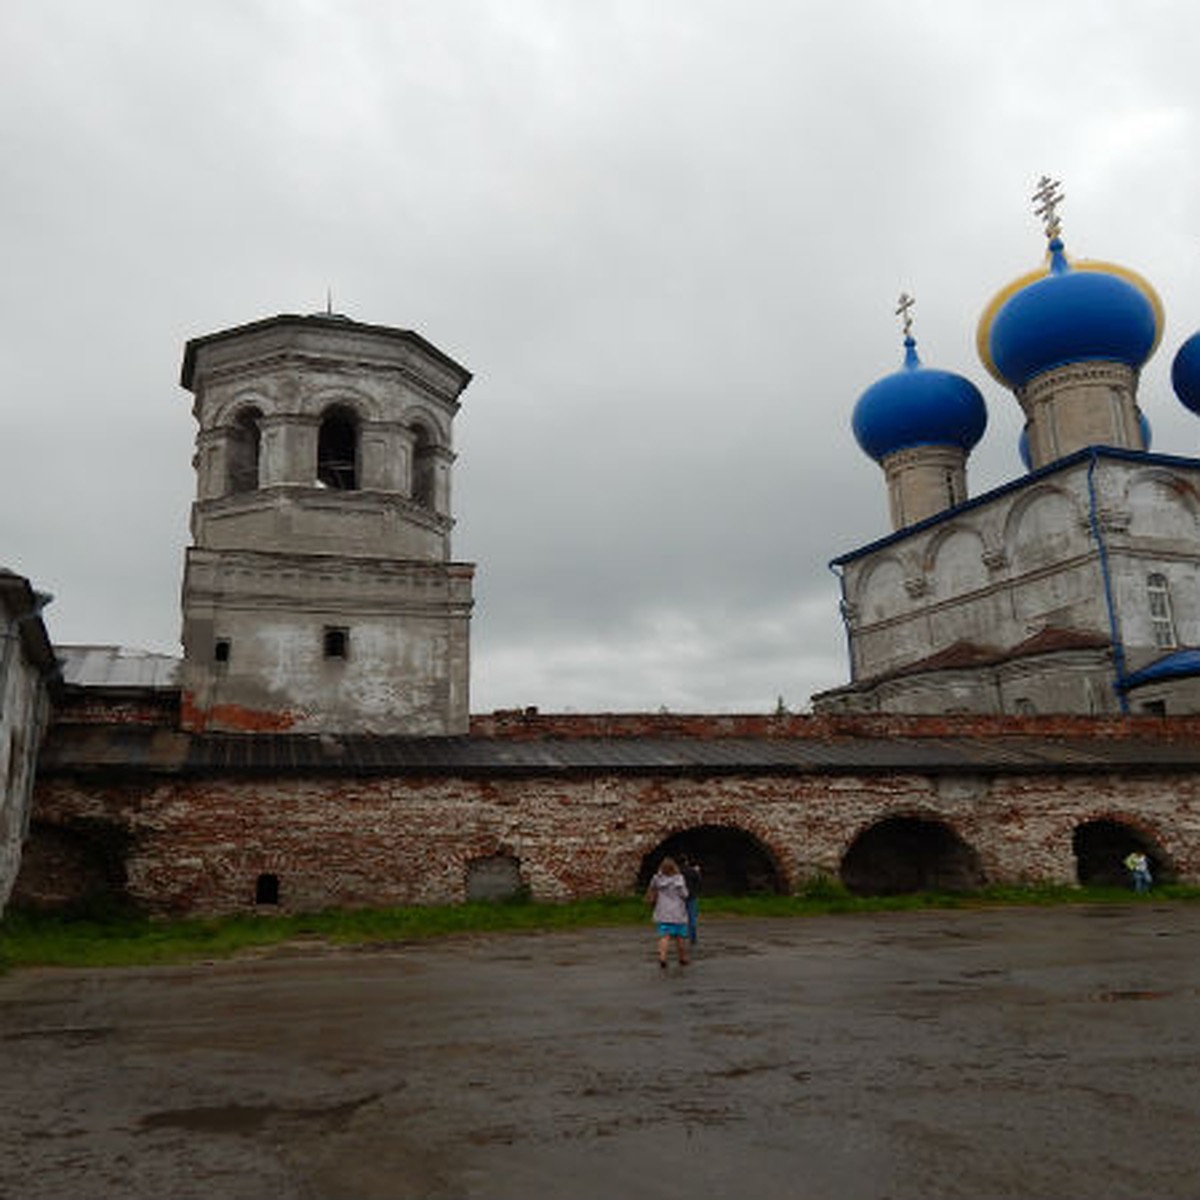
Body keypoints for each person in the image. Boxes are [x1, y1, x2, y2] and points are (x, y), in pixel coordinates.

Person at [645, 857, 689, 968]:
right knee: (680, 937)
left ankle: (662, 958)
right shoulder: (679, 879)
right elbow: (684, 894)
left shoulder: (656, 878)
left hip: (663, 911)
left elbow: (651, 889)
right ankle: (682, 958)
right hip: (678, 912)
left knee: (664, 937)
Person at [681, 855, 702, 945]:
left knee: (679, 918)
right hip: (691, 896)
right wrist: (697, 872)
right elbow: (699, 881)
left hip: (679, 898)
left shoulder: (676, 872)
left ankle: (680, 936)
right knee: (692, 918)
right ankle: (693, 938)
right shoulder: (692, 871)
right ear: (686, 861)